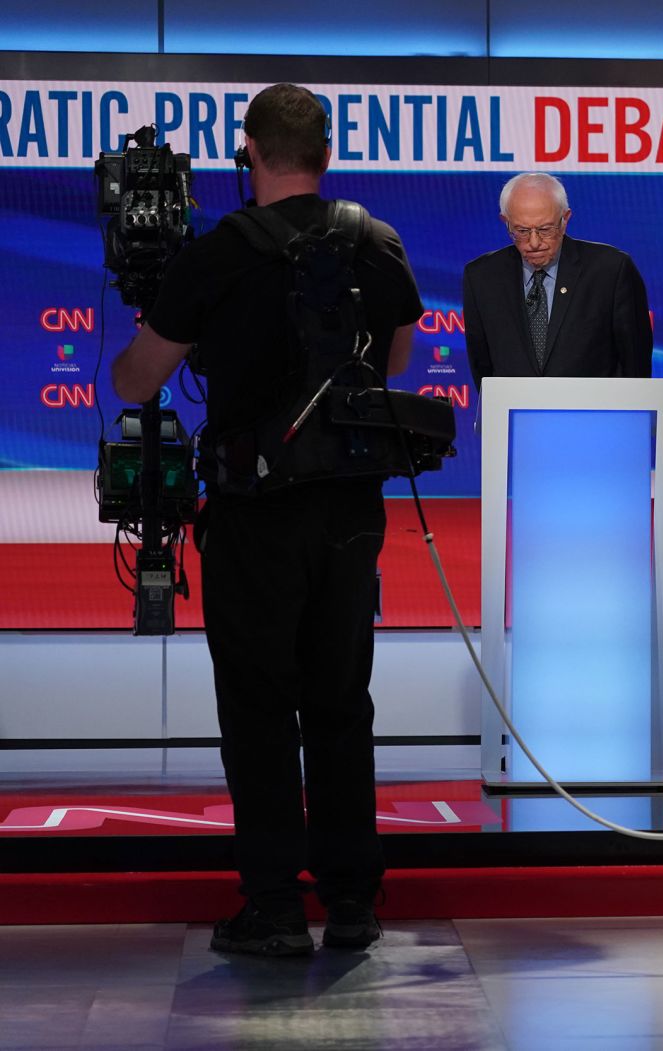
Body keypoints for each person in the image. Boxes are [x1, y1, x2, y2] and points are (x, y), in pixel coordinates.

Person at [112, 83, 423, 956]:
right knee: (339, 706)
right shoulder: (377, 242)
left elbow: (137, 381)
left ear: (247, 151)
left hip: (254, 514)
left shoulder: (219, 252)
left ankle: (276, 909)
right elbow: (395, 361)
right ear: (327, 152)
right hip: (352, 514)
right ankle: (354, 904)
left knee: (258, 711)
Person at [462, 172, 653, 386]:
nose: (534, 242)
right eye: (522, 230)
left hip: (594, 416)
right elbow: (483, 369)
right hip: (515, 415)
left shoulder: (611, 271)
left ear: (565, 219)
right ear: (505, 222)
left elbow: (636, 368)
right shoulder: (482, 277)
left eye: (545, 229)